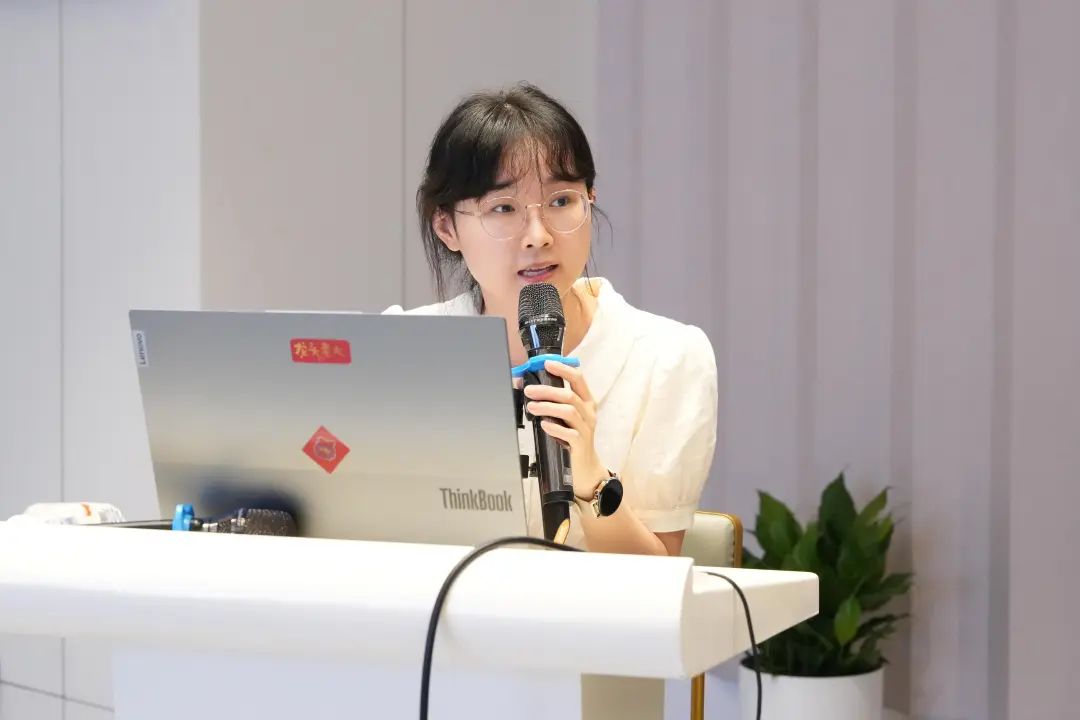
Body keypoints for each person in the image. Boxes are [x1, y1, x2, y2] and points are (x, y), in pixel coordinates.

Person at [385, 84, 716, 556]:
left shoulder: (665, 358)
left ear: (590, 200)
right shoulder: (407, 348)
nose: (538, 236)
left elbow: (656, 573)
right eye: (503, 208)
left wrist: (590, 477)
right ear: (447, 227)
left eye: (561, 201)